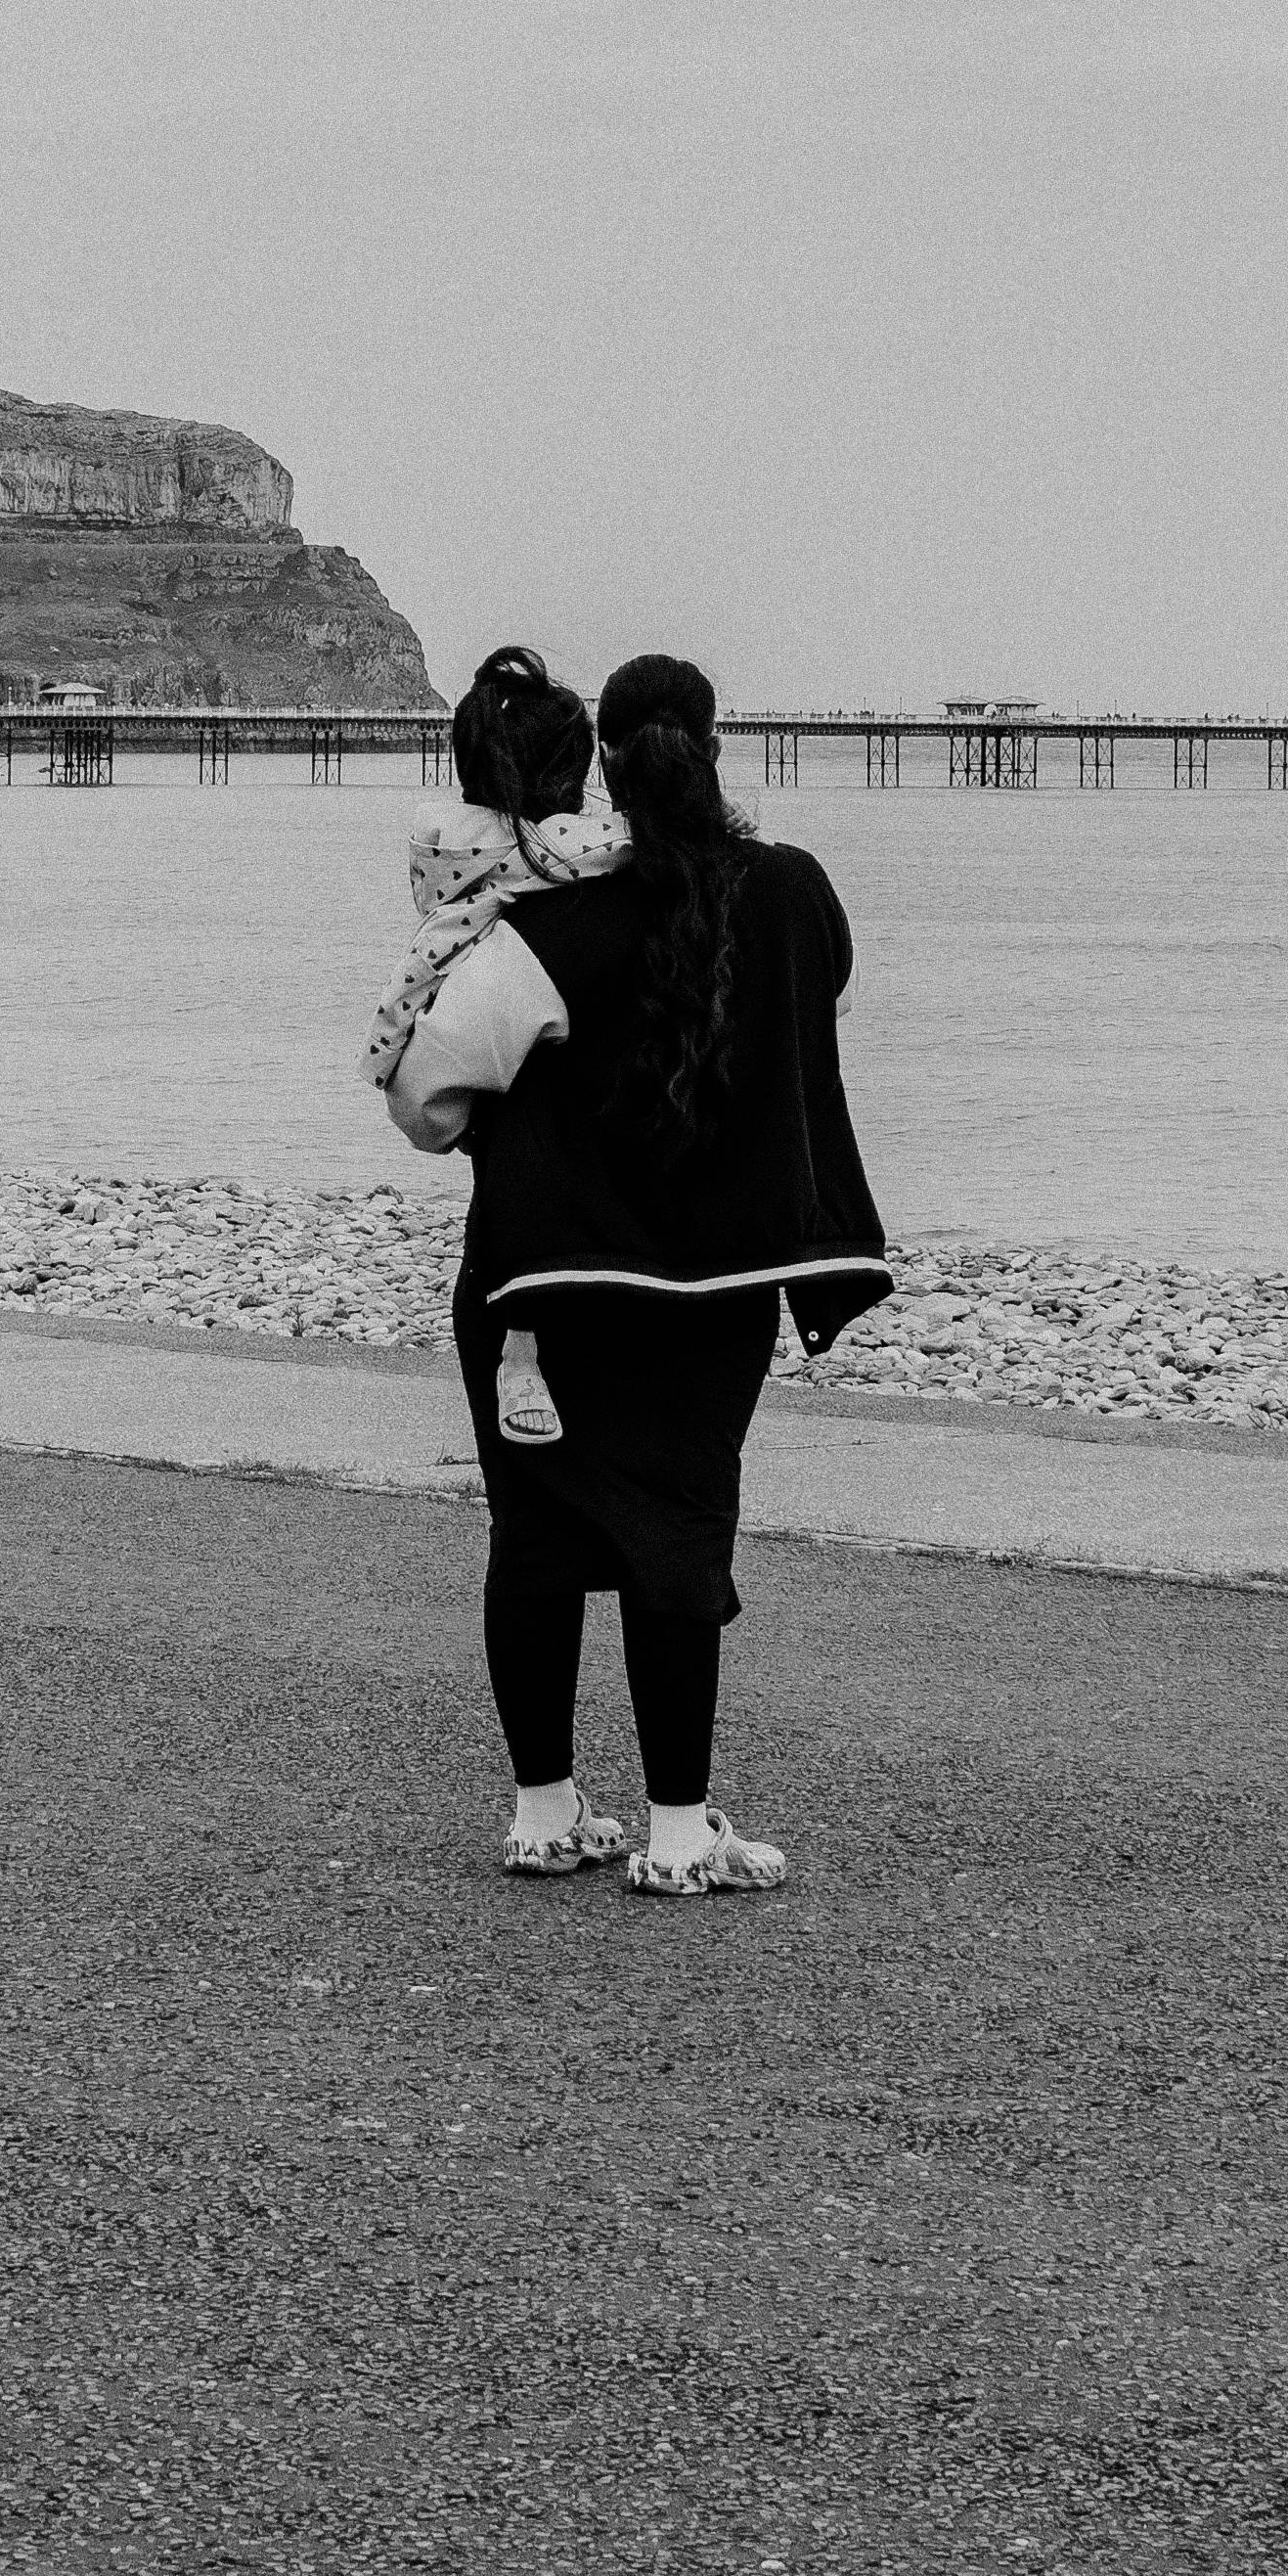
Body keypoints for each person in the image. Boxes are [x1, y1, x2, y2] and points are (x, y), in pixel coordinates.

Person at [384, 650, 888, 1897]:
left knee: (539, 1538)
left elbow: (429, 1093)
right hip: (720, 1289)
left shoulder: (543, 929)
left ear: (603, 762)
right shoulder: (795, 894)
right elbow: (815, 993)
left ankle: (545, 1818)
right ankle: (676, 1834)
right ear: (715, 747)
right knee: (679, 1535)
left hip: (539, 1297)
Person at [364, 647, 625, 1453]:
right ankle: (524, 1348)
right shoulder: (571, 857)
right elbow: (614, 842)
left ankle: (520, 1345)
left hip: (488, 1149)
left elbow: (428, 1113)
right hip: (603, 1200)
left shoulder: (445, 844)